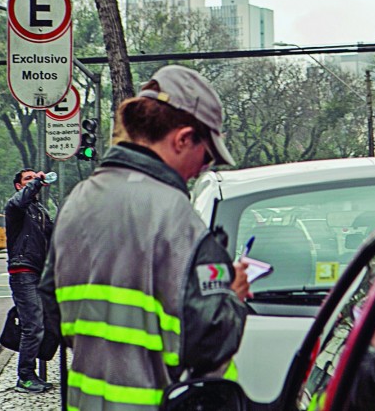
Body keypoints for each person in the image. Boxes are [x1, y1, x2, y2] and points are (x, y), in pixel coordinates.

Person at [39, 65, 250, 411]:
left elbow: (51, 309)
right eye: (207, 155)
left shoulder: (77, 200)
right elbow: (206, 343)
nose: (204, 168)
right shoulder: (177, 218)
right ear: (183, 138)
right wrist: (233, 298)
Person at [5, 168, 55, 394]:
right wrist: (37, 182)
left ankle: (33, 370)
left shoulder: (40, 211)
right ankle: (25, 376)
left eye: (35, 177)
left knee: (45, 322)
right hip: (23, 271)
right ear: (19, 186)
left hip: (41, 273)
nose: (33, 181)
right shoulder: (16, 208)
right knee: (32, 325)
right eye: (28, 179)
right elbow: (18, 202)